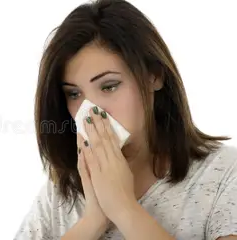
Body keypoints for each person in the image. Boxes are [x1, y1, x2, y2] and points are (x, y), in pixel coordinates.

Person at [13, 0, 237, 239]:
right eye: (74, 94)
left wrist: (124, 209)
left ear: (154, 76)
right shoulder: (59, 194)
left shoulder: (223, 174)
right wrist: (93, 221)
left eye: (109, 86)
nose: (90, 111)